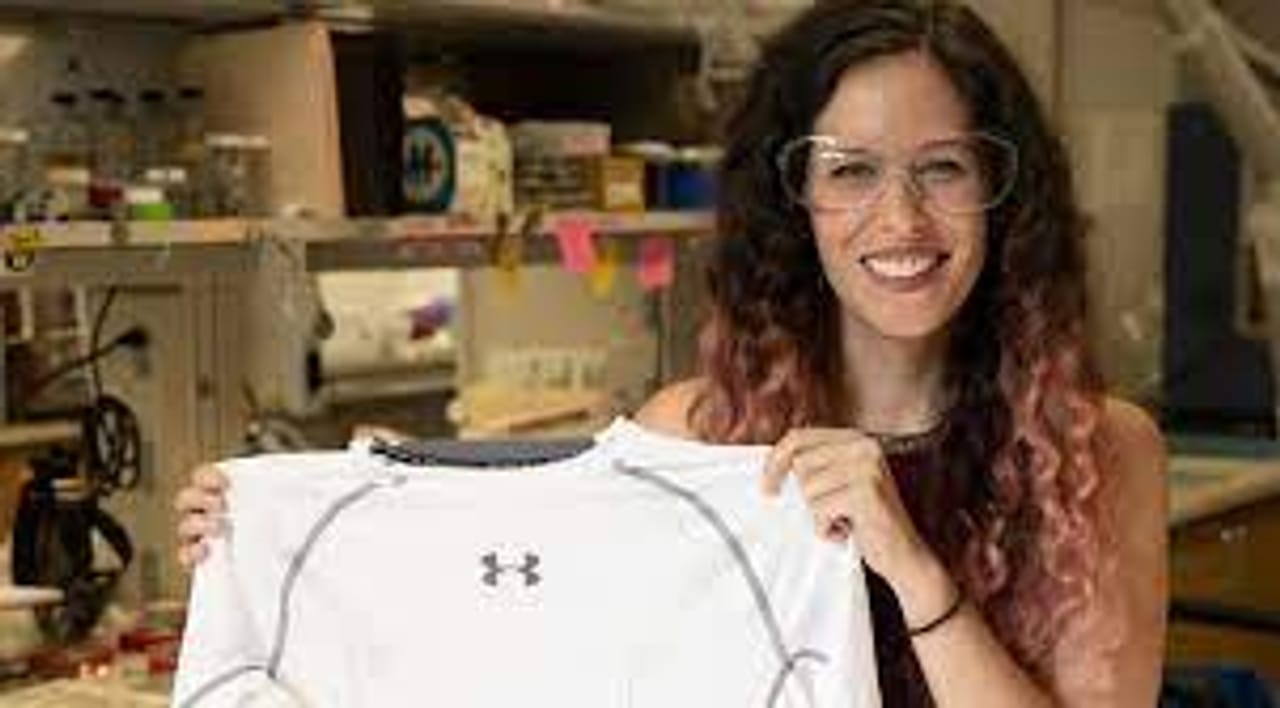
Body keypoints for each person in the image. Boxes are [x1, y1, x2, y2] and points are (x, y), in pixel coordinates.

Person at [175, 0, 1169, 705]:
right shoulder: (693, 435)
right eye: (850, 172)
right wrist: (331, 527)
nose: (900, 218)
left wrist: (911, 568)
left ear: (1001, 191)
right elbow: (522, 644)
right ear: (793, 200)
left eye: (942, 168)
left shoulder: (1096, 454)